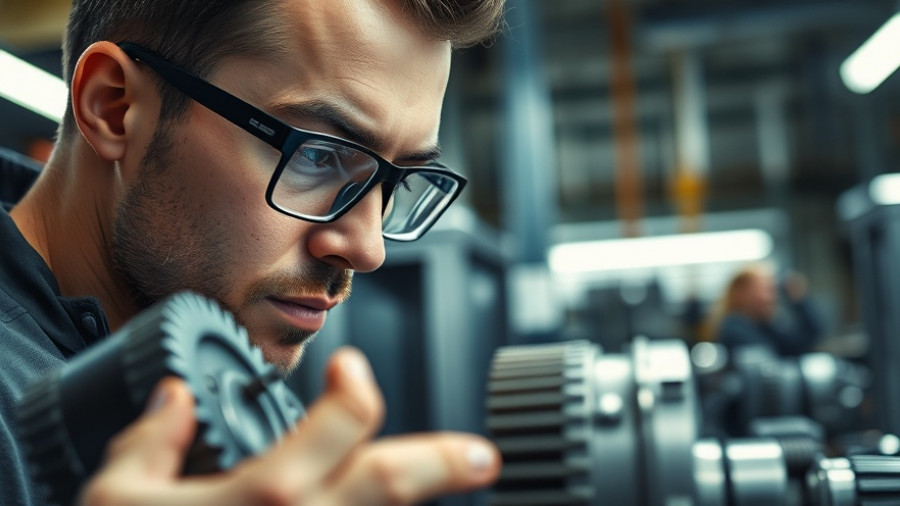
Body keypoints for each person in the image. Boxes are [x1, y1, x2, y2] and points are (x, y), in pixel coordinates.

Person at [0, 0, 506, 504]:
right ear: (115, 107)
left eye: (400, 180)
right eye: (319, 155)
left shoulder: (230, 387)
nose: (367, 249)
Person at [704, 263, 823, 356]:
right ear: (742, 293)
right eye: (767, 290)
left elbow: (802, 343)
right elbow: (770, 362)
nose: (772, 298)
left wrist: (800, 300)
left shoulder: (764, 325)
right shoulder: (733, 328)